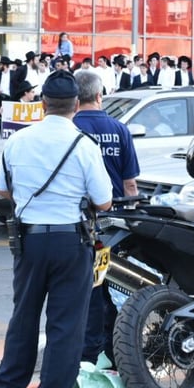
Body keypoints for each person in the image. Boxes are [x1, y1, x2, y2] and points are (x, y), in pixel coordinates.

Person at [0, 70, 112, 388]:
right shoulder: (84, 145)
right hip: (70, 243)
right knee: (65, 329)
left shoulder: (17, 141)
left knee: (23, 320)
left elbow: (2, 190)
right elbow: (104, 201)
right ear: (77, 105)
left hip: (28, 242)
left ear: (42, 104)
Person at [72, 69, 140, 366]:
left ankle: (87, 353)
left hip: (76, 224)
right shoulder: (119, 129)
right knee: (110, 288)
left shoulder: (69, 128)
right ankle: (110, 352)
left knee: (83, 291)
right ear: (100, 96)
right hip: (112, 225)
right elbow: (130, 186)